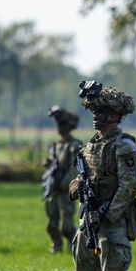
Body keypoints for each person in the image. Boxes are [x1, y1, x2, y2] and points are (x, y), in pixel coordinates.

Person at [68, 81, 136, 271]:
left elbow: (130, 186)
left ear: (114, 115)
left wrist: (107, 213)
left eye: (100, 111)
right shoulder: (90, 146)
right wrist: (76, 187)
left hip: (112, 226)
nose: (95, 116)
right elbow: (84, 180)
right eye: (93, 111)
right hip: (88, 223)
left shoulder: (124, 145)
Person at [42, 106, 83, 253]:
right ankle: (56, 247)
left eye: (62, 124)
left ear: (69, 126)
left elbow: (75, 168)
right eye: (57, 124)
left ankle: (75, 246)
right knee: (52, 224)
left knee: (65, 225)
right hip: (53, 189)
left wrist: (66, 183)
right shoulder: (56, 146)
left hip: (66, 191)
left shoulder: (74, 145)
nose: (58, 127)